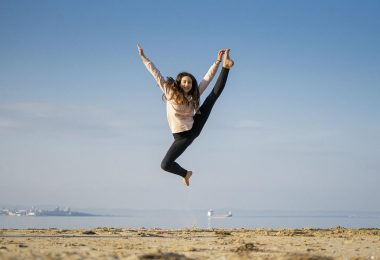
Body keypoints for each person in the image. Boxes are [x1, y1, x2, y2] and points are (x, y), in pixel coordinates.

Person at [137, 44, 234, 186]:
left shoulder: (194, 95)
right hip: (180, 137)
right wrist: (144, 58)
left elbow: (206, 79)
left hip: (192, 129)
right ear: (179, 83)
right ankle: (185, 173)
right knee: (165, 165)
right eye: (184, 82)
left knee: (211, 98)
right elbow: (155, 73)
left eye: (189, 82)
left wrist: (217, 62)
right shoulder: (169, 92)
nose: (187, 84)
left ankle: (226, 67)